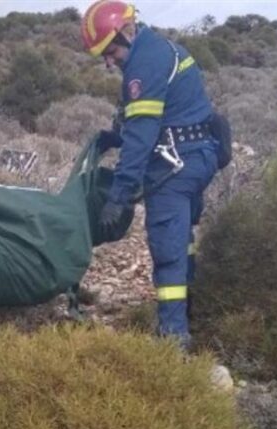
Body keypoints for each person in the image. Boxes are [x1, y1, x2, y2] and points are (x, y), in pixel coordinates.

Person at [81, 0, 223, 349]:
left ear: (127, 31)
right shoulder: (165, 49)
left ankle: (174, 338)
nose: (108, 61)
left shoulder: (144, 63)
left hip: (175, 165)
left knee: (167, 246)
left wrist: (119, 194)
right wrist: (120, 133)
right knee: (183, 237)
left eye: (111, 51)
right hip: (197, 156)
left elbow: (143, 135)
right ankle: (190, 312)